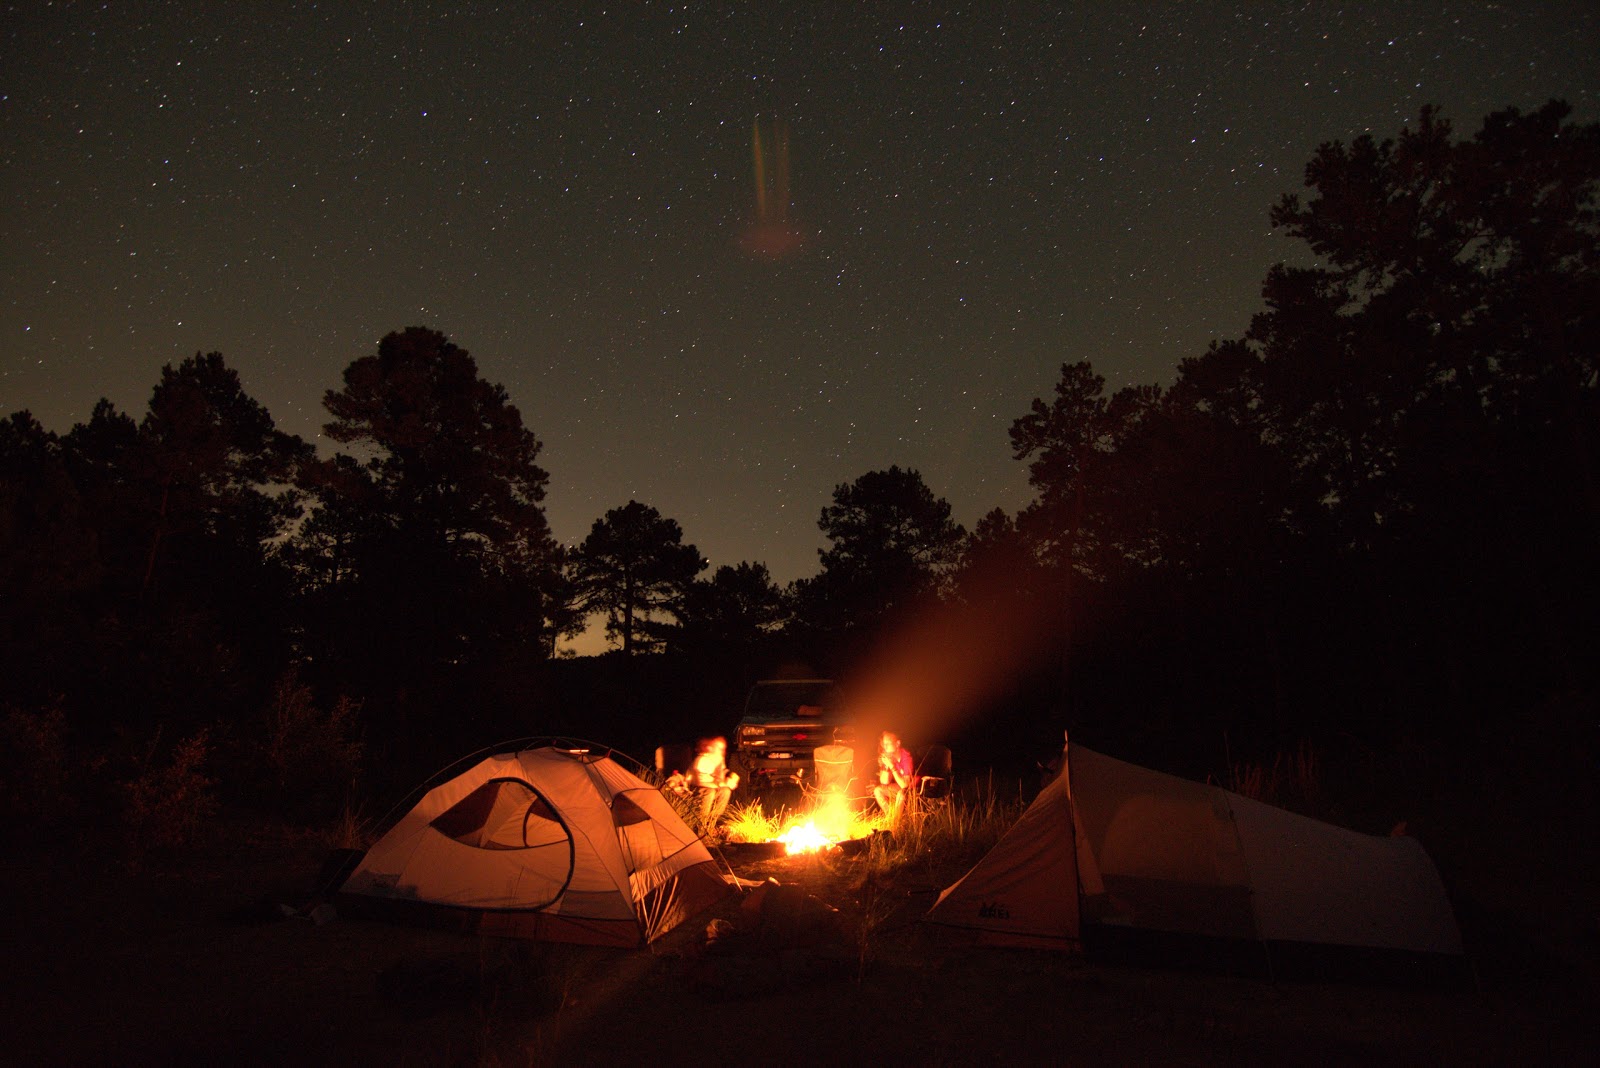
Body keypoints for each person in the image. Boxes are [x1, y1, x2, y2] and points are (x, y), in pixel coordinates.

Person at [691, 735, 739, 825]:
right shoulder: (702, 760)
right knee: (709, 792)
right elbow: (700, 782)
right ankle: (702, 822)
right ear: (710, 748)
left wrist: (731, 777)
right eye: (719, 748)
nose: (722, 751)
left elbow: (722, 772)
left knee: (725, 791)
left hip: (713, 785)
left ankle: (713, 820)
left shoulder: (719, 758)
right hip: (698, 787)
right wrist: (721, 784)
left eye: (723, 748)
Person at [873, 730, 914, 820]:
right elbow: (884, 781)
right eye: (884, 744)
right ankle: (890, 817)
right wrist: (886, 766)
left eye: (888, 743)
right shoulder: (892, 757)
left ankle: (896, 822)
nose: (885, 746)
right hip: (901, 788)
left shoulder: (907, 758)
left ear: (897, 744)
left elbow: (905, 785)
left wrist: (892, 766)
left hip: (913, 790)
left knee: (901, 793)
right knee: (878, 790)